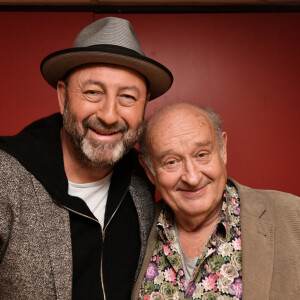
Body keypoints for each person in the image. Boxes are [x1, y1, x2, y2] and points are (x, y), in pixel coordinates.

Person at [0, 17, 173, 299]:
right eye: (93, 92)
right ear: (63, 96)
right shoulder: (5, 178)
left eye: (128, 97)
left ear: (144, 105)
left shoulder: (141, 179)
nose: (108, 115)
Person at [133, 103, 300, 299]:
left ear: (223, 149)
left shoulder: (293, 217)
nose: (192, 178)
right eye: (171, 161)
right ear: (149, 170)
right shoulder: (133, 231)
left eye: (202, 155)